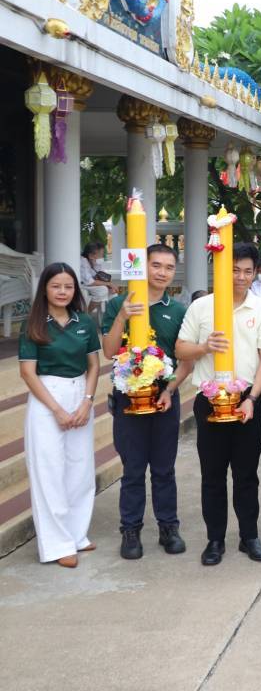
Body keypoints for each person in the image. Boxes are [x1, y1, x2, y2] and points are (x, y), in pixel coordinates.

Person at [176, 243, 261, 567]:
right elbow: (180, 349)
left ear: (255, 273)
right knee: (213, 475)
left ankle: (250, 536)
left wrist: (252, 398)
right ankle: (215, 539)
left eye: (248, 271)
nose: (241, 277)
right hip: (209, 402)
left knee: (247, 475)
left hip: (247, 402)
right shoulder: (201, 307)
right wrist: (204, 348)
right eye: (234, 270)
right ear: (221, 270)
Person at [100, 243, 191, 560]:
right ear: (143, 266)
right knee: (133, 469)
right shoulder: (119, 303)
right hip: (128, 399)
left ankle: (168, 527)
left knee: (164, 469)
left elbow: (186, 362)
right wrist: (122, 317)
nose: (162, 272)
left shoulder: (177, 311)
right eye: (156, 265)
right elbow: (108, 351)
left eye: (169, 267)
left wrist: (170, 390)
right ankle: (130, 530)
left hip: (164, 399)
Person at [18, 264, 101, 567]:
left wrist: (87, 402)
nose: (62, 292)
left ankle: (77, 535)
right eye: (56, 286)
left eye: (68, 286)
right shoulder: (34, 324)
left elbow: (94, 365)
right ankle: (57, 545)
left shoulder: (84, 322)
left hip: (80, 393)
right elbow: (27, 373)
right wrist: (56, 409)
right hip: (47, 397)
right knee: (49, 471)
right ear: (45, 289)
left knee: (80, 468)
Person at [79, 242, 117, 311]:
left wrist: (110, 286)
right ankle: (87, 313)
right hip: (83, 284)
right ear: (91, 255)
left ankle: (112, 314)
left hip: (92, 284)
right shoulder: (83, 262)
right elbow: (90, 282)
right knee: (102, 290)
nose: (102, 257)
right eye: (101, 255)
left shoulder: (95, 261)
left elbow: (102, 275)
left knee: (113, 294)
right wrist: (108, 284)